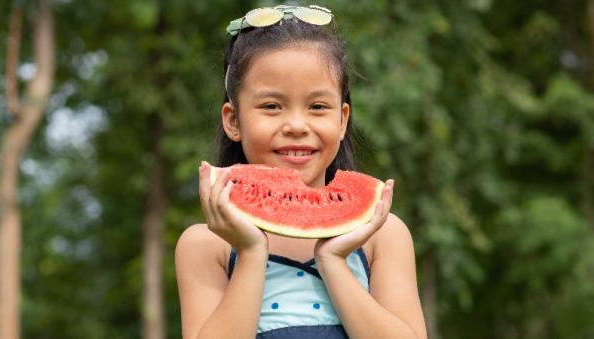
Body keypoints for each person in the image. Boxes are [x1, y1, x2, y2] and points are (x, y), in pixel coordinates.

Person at [175, 5, 427, 339]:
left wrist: (334, 262)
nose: (296, 125)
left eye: (318, 107)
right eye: (271, 106)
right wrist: (250, 254)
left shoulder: (380, 235)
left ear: (342, 119)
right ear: (233, 121)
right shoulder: (207, 244)